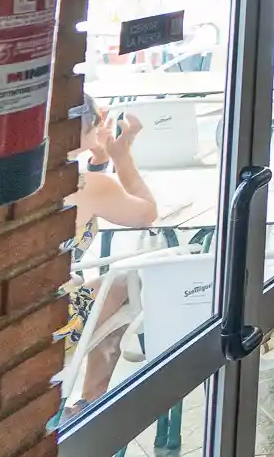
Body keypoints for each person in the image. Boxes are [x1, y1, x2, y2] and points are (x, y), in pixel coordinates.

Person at [63, 100, 160, 405]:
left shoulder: (12, 181)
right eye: (96, 117)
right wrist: (122, 157)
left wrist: (99, 161)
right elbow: (146, 213)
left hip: (0, 318)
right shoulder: (89, 186)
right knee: (126, 284)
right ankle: (90, 405)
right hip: (47, 324)